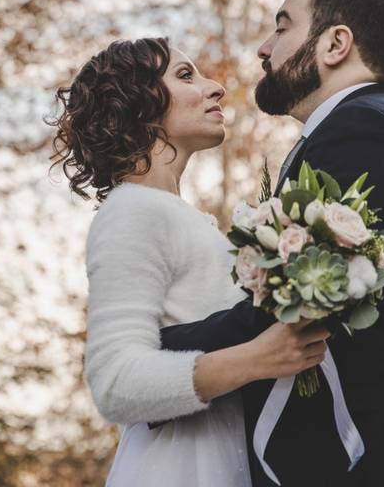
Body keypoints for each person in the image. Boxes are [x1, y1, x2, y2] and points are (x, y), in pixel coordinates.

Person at [159, 0, 384, 486]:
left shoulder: (366, 129)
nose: (265, 47)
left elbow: (295, 301)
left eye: (282, 27)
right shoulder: (358, 129)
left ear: (335, 45)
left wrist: (158, 351)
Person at [50, 37, 330, 486]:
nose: (216, 87)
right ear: (139, 104)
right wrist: (258, 358)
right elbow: (115, 380)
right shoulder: (131, 210)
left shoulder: (178, 215)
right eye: (185, 76)